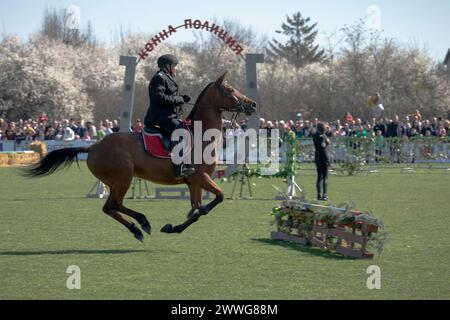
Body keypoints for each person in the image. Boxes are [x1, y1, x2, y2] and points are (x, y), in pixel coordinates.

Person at [144, 54, 194, 180]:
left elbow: (170, 96)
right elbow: (159, 97)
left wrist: (182, 99)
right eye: (175, 66)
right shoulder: (159, 78)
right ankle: (179, 168)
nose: (176, 69)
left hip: (169, 115)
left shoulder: (167, 78)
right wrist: (179, 99)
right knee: (181, 132)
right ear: (168, 66)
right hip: (160, 116)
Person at [313, 122, 330, 201]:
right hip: (323, 158)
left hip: (317, 157)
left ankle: (318, 195)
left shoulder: (315, 135)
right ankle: (324, 195)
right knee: (325, 177)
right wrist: (327, 160)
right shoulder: (322, 136)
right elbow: (323, 148)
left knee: (319, 177)